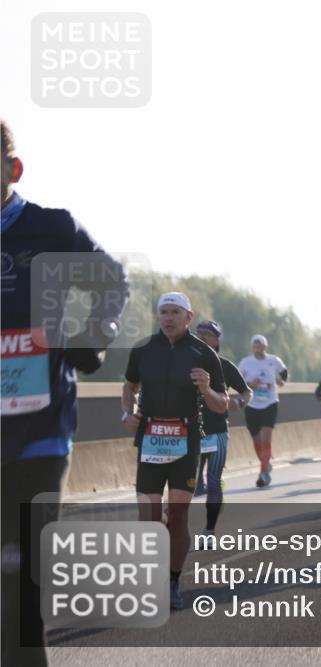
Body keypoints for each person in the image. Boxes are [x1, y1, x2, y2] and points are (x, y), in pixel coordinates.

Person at [1, 118, 128, 666]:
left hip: (41, 425)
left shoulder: (52, 230)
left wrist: (91, 339)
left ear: (13, 169)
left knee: (19, 564)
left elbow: (112, 283)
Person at [122, 292, 228, 608]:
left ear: (188, 317)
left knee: (178, 516)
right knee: (151, 518)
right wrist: (127, 414)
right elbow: (129, 386)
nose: (167, 318)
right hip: (151, 439)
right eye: (163, 312)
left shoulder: (203, 353)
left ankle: (171, 582)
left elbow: (222, 405)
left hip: (186, 442)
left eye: (174, 312)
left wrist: (207, 389)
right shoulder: (143, 349)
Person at [192, 320, 252, 536]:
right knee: (189, 484)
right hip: (189, 432)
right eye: (197, 333)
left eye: (206, 334)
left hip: (216, 431)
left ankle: (209, 529)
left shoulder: (224, 365)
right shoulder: (183, 363)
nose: (200, 337)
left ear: (217, 340)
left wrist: (239, 403)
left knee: (214, 479)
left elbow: (247, 392)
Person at [238, 335, 288, 487]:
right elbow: (238, 381)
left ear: (266, 346)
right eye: (255, 345)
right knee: (257, 441)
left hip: (270, 403)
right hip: (252, 405)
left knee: (266, 437)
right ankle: (265, 464)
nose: (258, 347)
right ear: (252, 347)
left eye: (260, 345)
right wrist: (250, 384)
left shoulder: (273, 360)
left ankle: (263, 473)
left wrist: (281, 381)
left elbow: (284, 371)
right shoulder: (246, 362)